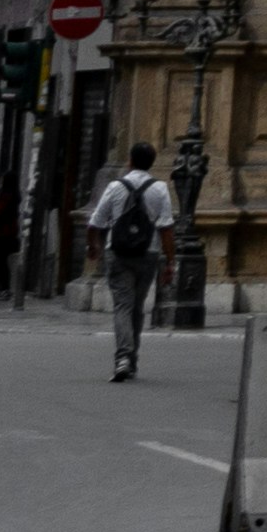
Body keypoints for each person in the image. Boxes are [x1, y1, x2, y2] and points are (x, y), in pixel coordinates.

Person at [80, 143, 170, 378]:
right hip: (148, 253)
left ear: (130, 160)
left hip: (118, 253)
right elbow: (167, 227)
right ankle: (131, 359)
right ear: (152, 162)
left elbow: (95, 222)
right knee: (137, 308)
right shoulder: (160, 188)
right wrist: (170, 262)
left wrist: (92, 246)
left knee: (122, 305)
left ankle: (123, 357)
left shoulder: (115, 187)